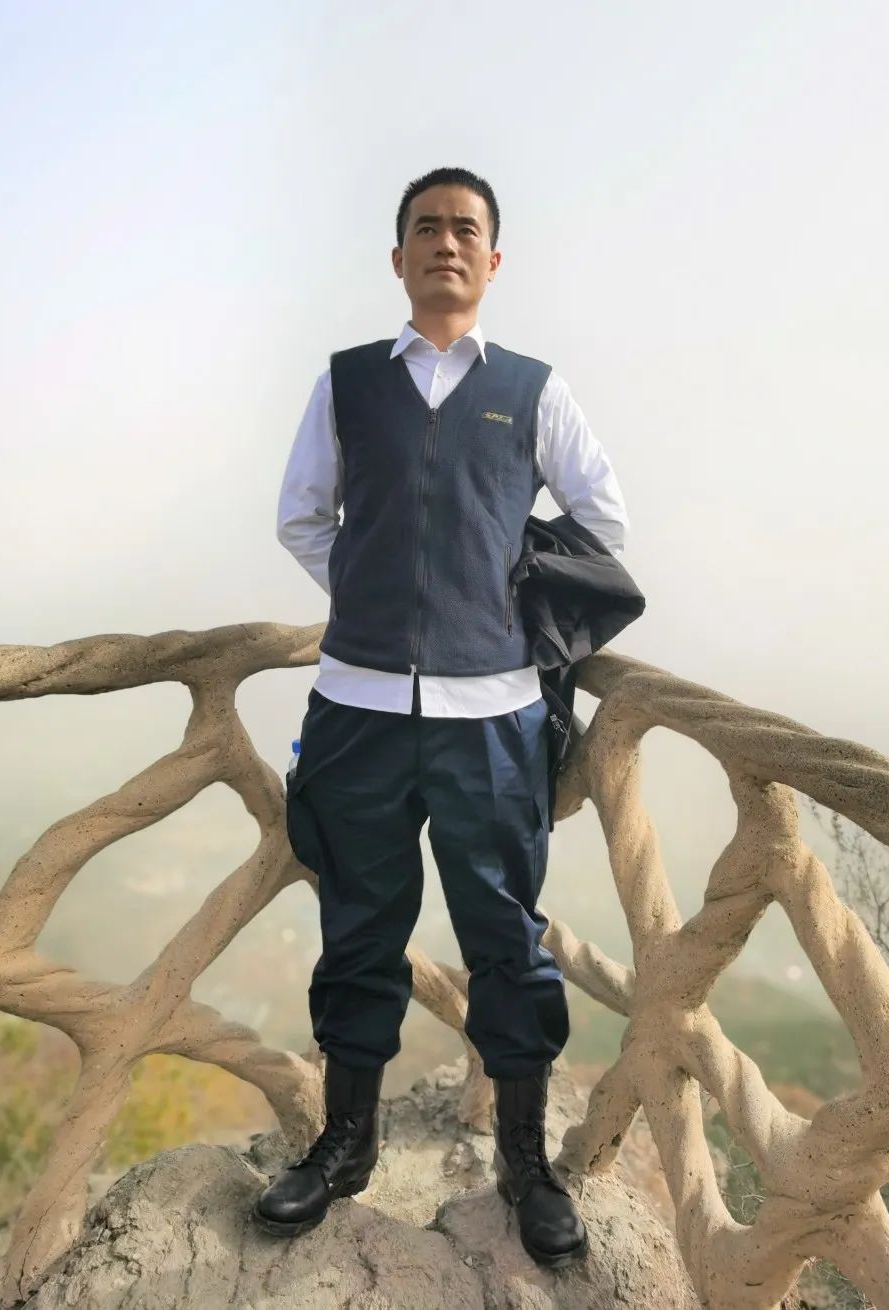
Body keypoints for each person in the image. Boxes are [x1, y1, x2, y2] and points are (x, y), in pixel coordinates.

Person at [255, 166, 629, 1269]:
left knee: (505, 936)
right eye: (427, 227)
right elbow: (302, 518)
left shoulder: (531, 389)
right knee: (358, 926)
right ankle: (345, 1144)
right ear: (399, 256)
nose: (446, 243)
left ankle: (526, 1159)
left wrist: (501, 605)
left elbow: (603, 522)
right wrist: (376, 596)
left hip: (495, 714)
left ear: (493, 260)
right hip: (358, 706)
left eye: (466, 229)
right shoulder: (348, 384)